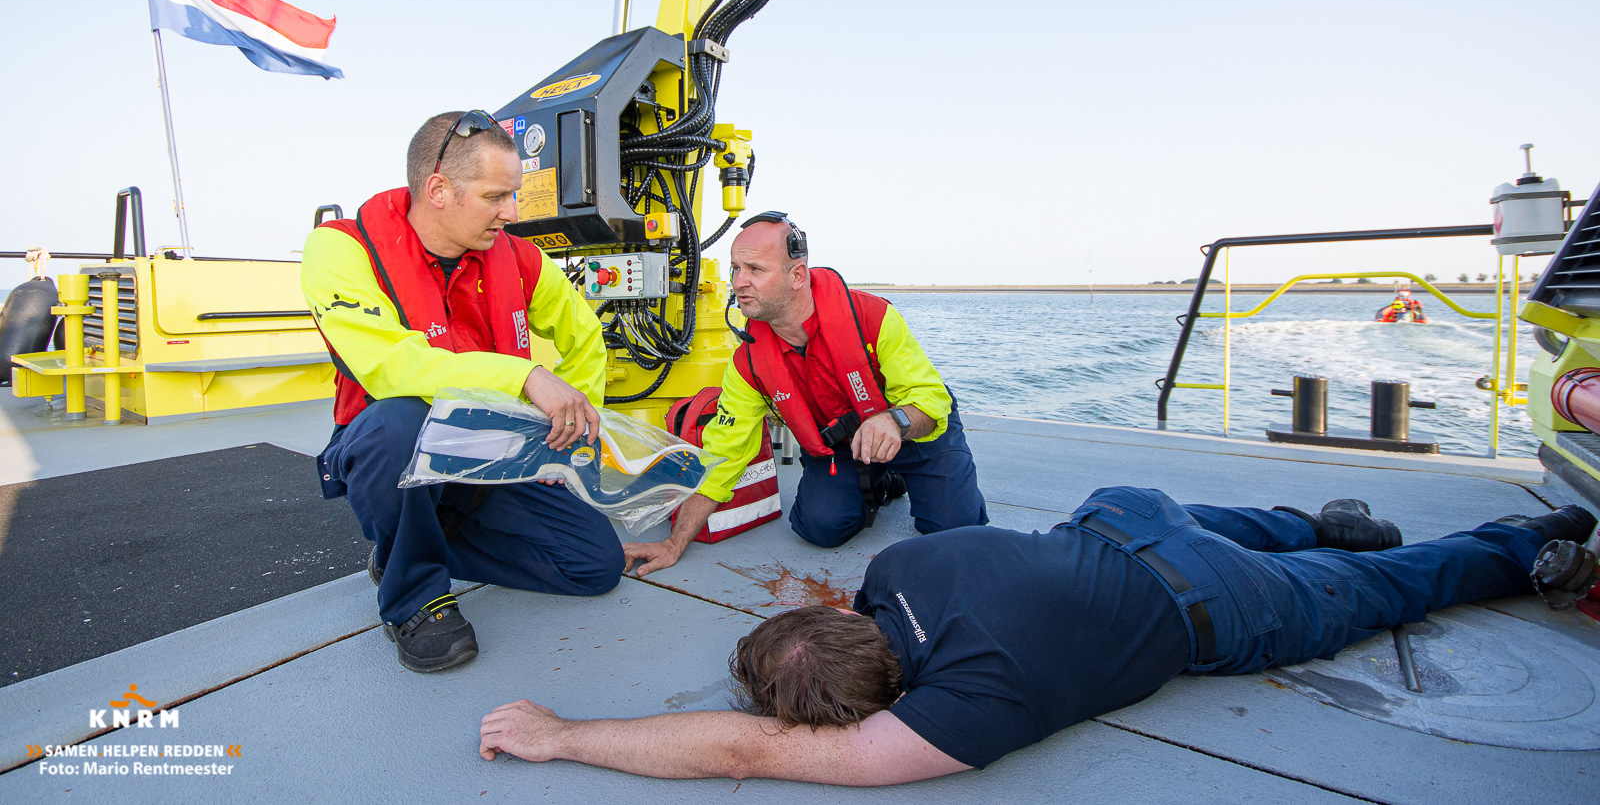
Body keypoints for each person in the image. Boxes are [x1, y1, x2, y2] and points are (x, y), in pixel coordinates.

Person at [479, 491, 1596, 784]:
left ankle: (1524, 543)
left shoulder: (968, 706)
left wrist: (563, 734)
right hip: (1125, 516)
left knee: (1387, 586)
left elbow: (744, 748)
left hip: (1213, 602)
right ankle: (1317, 518)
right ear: (841, 616)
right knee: (1230, 525)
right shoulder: (900, 570)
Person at [302, 110, 621, 674]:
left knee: (594, 565)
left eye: (513, 194)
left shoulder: (521, 259)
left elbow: (585, 337)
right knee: (396, 421)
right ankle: (415, 597)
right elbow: (388, 367)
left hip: (492, 452)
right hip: (398, 450)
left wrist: (575, 422)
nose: (512, 212)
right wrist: (524, 377)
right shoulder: (341, 249)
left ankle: (409, 547)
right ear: (438, 190)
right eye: (496, 196)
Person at [621, 211, 988, 576]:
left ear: (797, 275)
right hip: (842, 446)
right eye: (735, 269)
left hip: (913, 430)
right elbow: (722, 455)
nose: (739, 282)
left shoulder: (873, 317)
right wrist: (674, 543)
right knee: (819, 527)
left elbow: (929, 399)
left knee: (955, 531)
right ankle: (882, 480)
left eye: (755, 269)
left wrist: (894, 422)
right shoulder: (748, 363)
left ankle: (900, 471)